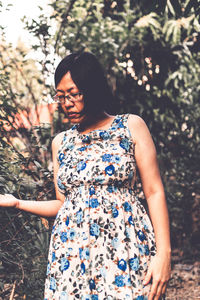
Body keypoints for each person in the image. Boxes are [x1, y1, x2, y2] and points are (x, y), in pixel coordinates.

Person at [0, 51, 171, 300]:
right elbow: (63, 205)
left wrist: (163, 254)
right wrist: (16, 202)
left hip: (125, 250)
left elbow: (154, 191)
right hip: (72, 259)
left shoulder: (131, 126)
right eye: (61, 96)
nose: (67, 103)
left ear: (93, 90)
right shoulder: (61, 142)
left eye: (74, 94)